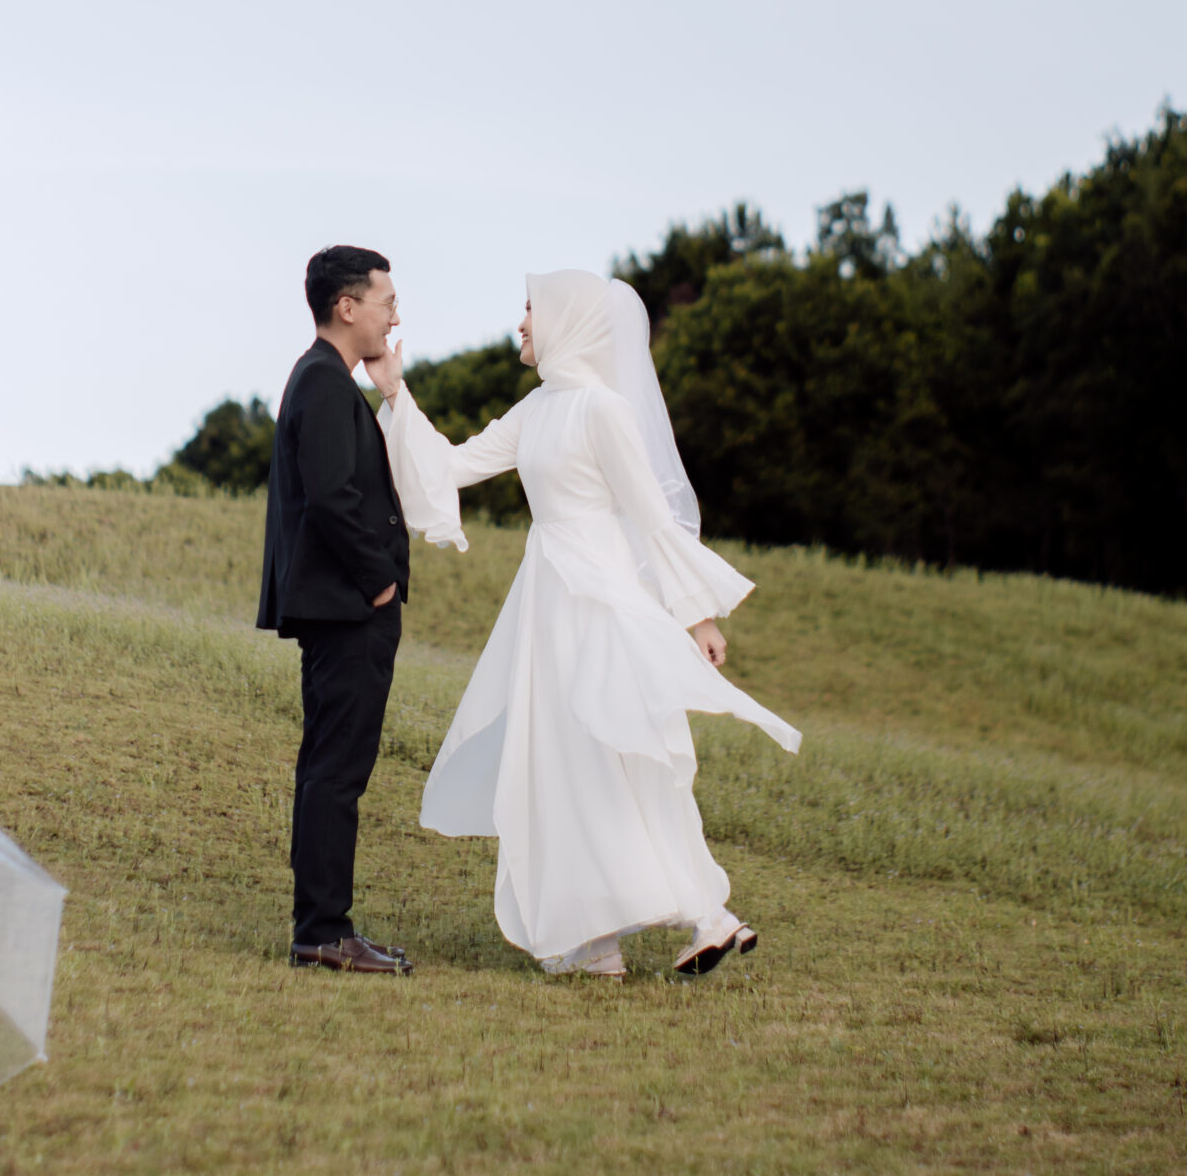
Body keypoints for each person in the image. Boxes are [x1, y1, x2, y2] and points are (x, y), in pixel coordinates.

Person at [372, 269, 800, 979]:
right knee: (564, 757)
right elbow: (450, 466)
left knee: (619, 749)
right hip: (547, 602)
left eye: (530, 310)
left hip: (600, 597)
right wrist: (395, 392)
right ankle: (604, 938)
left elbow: (651, 518)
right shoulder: (537, 409)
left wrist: (696, 617)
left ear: (566, 321)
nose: (521, 324)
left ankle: (704, 915)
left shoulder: (603, 410)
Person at [257, 246, 413, 974]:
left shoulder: (324, 379)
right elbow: (330, 497)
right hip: (348, 610)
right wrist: (379, 583)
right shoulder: (321, 381)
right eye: (386, 302)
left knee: (330, 767)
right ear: (347, 307)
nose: (393, 317)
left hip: (342, 608)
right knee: (335, 771)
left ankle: (321, 928)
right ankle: (323, 932)